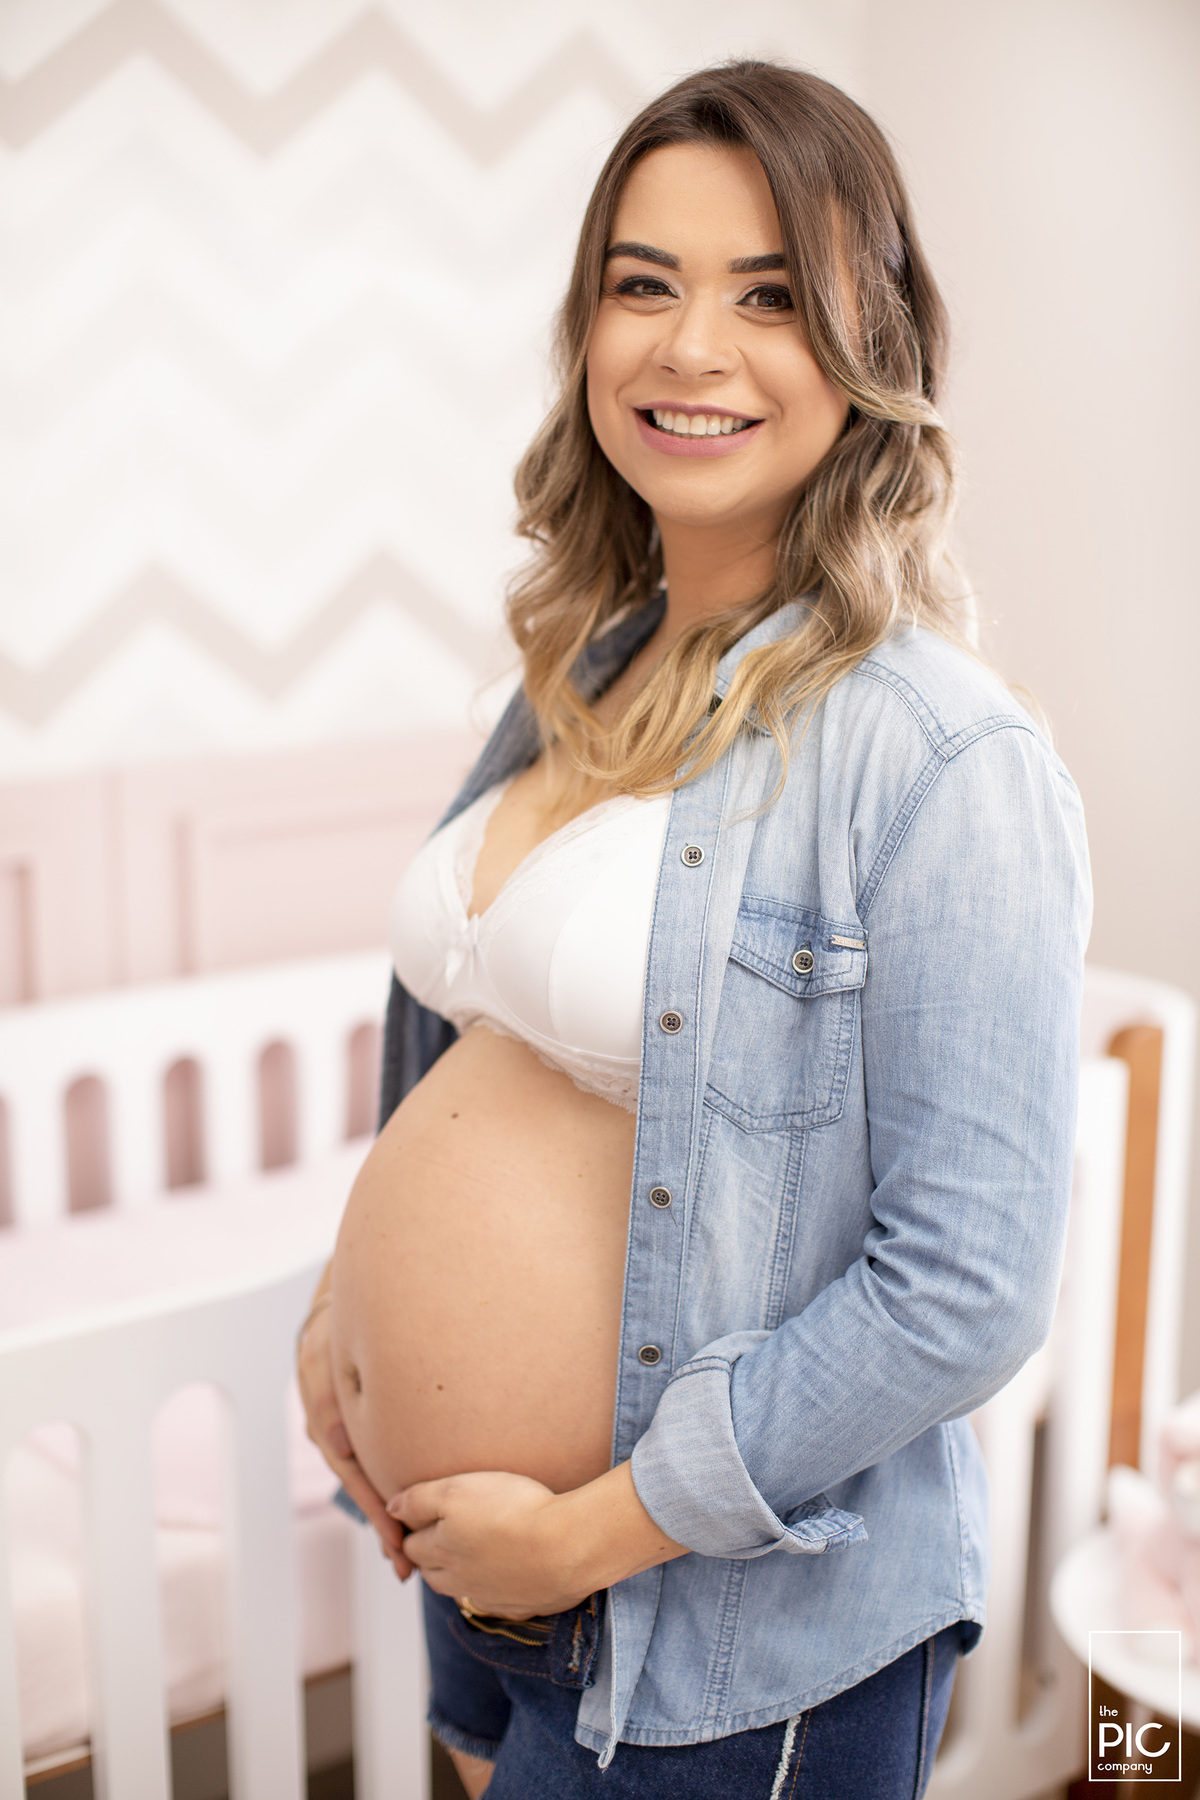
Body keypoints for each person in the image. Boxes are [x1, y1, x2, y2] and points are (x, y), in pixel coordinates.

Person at [297, 60, 1091, 1799]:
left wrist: (590, 1532)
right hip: (480, 1576)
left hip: (710, 1621)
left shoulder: (945, 755)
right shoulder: (585, 667)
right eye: (641, 284)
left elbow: (962, 1288)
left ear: (869, 346)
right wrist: (340, 1326)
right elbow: (462, 1039)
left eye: (771, 297)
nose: (688, 348)